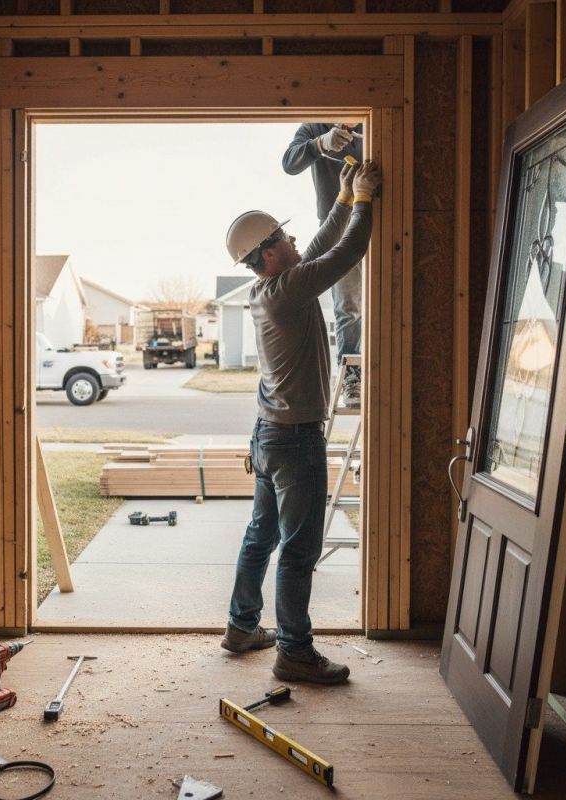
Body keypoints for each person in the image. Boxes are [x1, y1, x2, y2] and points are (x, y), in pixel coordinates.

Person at [220, 159, 381, 684]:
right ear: (269, 254)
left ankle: (241, 628)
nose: (292, 239)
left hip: (269, 435)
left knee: (261, 536)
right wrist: (364, 200)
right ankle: (294, 652)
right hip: (294, 442)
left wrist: (342, 199)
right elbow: (347, 253)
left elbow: (316, 249)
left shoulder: (270, 288)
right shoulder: (291, 289)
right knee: (298, 550)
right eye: (283, 236)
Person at [282, 122, 365, 406]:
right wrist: (320, 144)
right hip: (336, 226)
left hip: (381, 220)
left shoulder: (372, 123)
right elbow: (289, 163)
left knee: (386, 304)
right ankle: (352, 380)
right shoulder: (314, 127)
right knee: (348, 308)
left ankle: (387, 370)